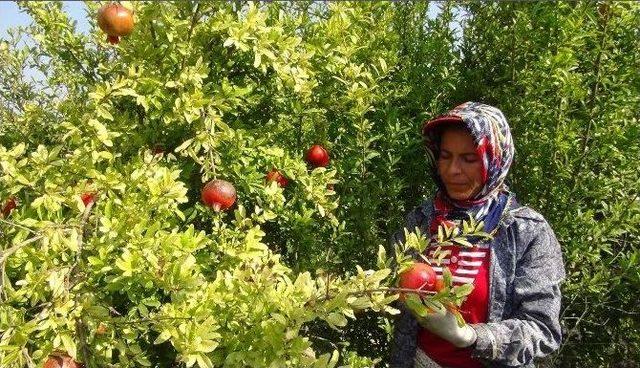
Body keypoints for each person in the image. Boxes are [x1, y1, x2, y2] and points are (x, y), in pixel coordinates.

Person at [388, 102, 566, 368]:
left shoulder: (527, 232)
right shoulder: (421, 221)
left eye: (469, 159)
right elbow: (396, 300)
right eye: (445, 156)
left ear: (495, 158)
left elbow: (542, 330)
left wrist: (471, 336)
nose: (452, 170)